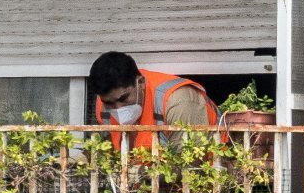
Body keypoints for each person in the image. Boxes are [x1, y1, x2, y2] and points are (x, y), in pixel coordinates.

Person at [89, 51, 220, 152]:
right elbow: (109, 147)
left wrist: (139, 173)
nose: (118, 108)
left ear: (140, 82)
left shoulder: (178, 100)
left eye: (123, 98)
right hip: (142, 185)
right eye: (109, 103)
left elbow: (191, 165)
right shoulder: (103, 105)